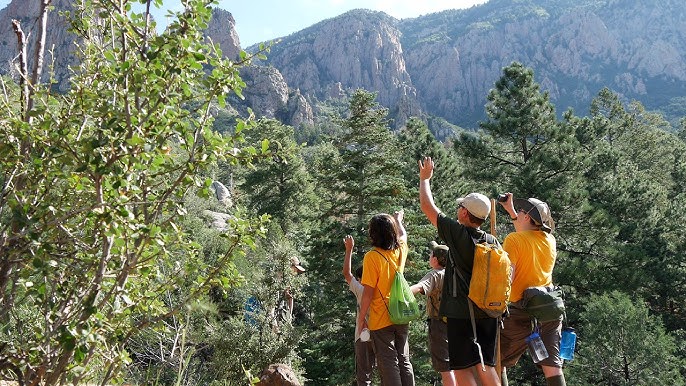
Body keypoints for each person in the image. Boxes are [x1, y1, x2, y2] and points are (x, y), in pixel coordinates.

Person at [418, 156, 501, 386]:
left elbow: (428, 207)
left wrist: (425, 179)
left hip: (462, 312)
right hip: (489, 312)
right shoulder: (493, 241)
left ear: (465, 213)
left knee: (463, 367)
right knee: (486, 365)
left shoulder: (459, 234)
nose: (458, 209)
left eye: (460, 206)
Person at [497, 193, 566, 386]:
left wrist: (497, 304)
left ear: (526, 217)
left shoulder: (513, 240)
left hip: (520, 310)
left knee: (495, 358)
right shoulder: (549, 239)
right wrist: (511, 210)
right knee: (552, 364)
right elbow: (525, 235)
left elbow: (507, 275)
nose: (517, 214)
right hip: (548, 306)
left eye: (520, 211)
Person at [357, 210, 415, 386]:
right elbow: (403, 234)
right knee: (403, 358)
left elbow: (368, 293)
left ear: (373, 233)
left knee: (388, 361)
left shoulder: (372, 257)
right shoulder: (400, 249)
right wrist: (398, 220)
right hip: (401, 311)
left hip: (381, 317)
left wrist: (361, 319)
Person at [410, 241, 457, 386]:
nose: (429, 256)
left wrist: (397, 292)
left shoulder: (434, 275)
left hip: (440, 325)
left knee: (445, 367)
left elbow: (418, 288)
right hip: (458, 323)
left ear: (435, 260)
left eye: (431, 255)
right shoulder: (455, 274)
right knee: (457, 365)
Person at [343, 234, 376, 386]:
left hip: (362, 336)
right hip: (381, 333)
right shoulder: (381, 289)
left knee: (364, 375)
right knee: (387, 370)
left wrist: (349, 250)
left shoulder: (361, 289)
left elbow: (347, 274)